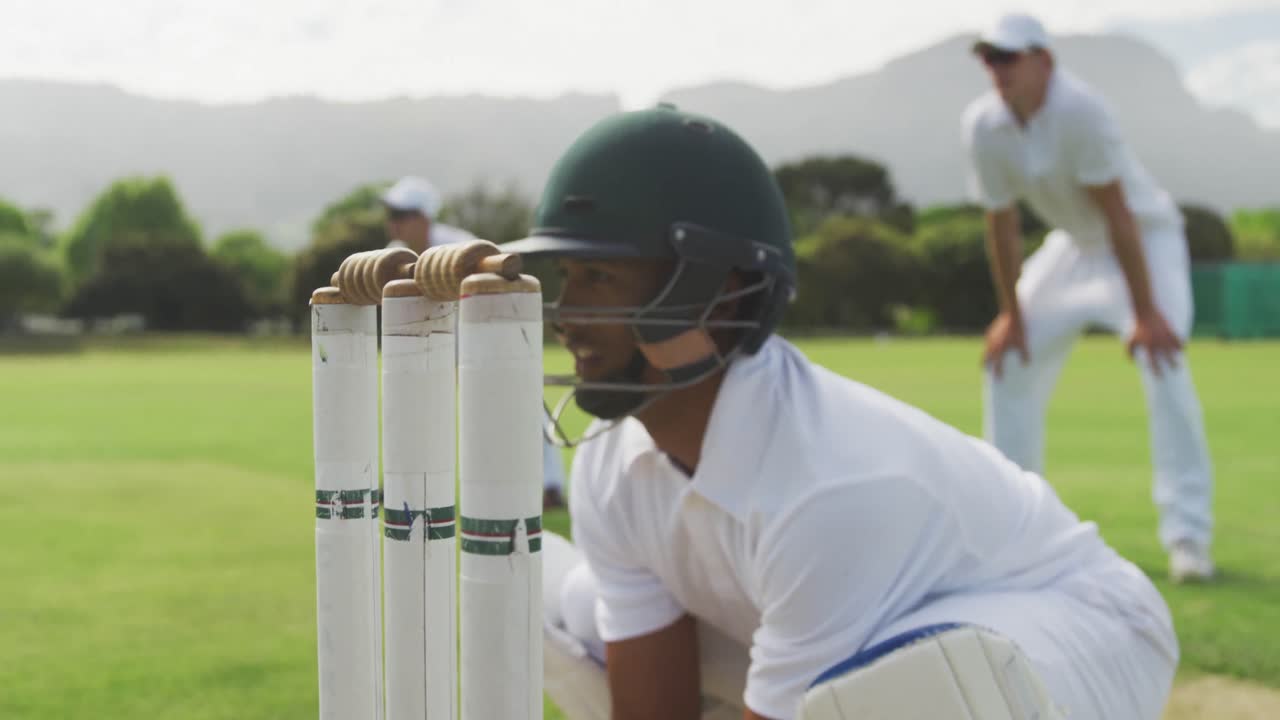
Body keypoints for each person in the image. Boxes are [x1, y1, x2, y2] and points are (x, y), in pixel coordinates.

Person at [502, 105, 1177, 720]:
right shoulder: (606, 461)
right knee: (570, 609)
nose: (570, 317)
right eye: (568, 277)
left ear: (719, 296)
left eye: (602, 278)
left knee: (903, 692)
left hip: (1084, 626)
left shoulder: (828, 481)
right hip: (877, 630)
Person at [961, 13, 1214, 582]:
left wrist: (1146, 314)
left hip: (1141, 240)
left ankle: (1188, 537)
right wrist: (1011, 314)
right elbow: (1000, 223)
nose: (996, 70)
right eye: (989, 59)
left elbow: (1118, 214)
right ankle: (1014, 532)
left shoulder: (1081, 110)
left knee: (1163, 360)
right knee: (1007, 361)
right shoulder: (981, 125)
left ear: (1043, 61)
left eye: (1008, 57)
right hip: (1071, 246)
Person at [381, 175, 568, 509]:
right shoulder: (396, 256)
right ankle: (401, 479)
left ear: (423, 216)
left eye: (401, 214)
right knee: (409, 400)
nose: (393, 224)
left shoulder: (463, 247)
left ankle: (551, 485)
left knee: (522, 402)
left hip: (486, 334)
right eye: (391, 214)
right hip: (435, 336)